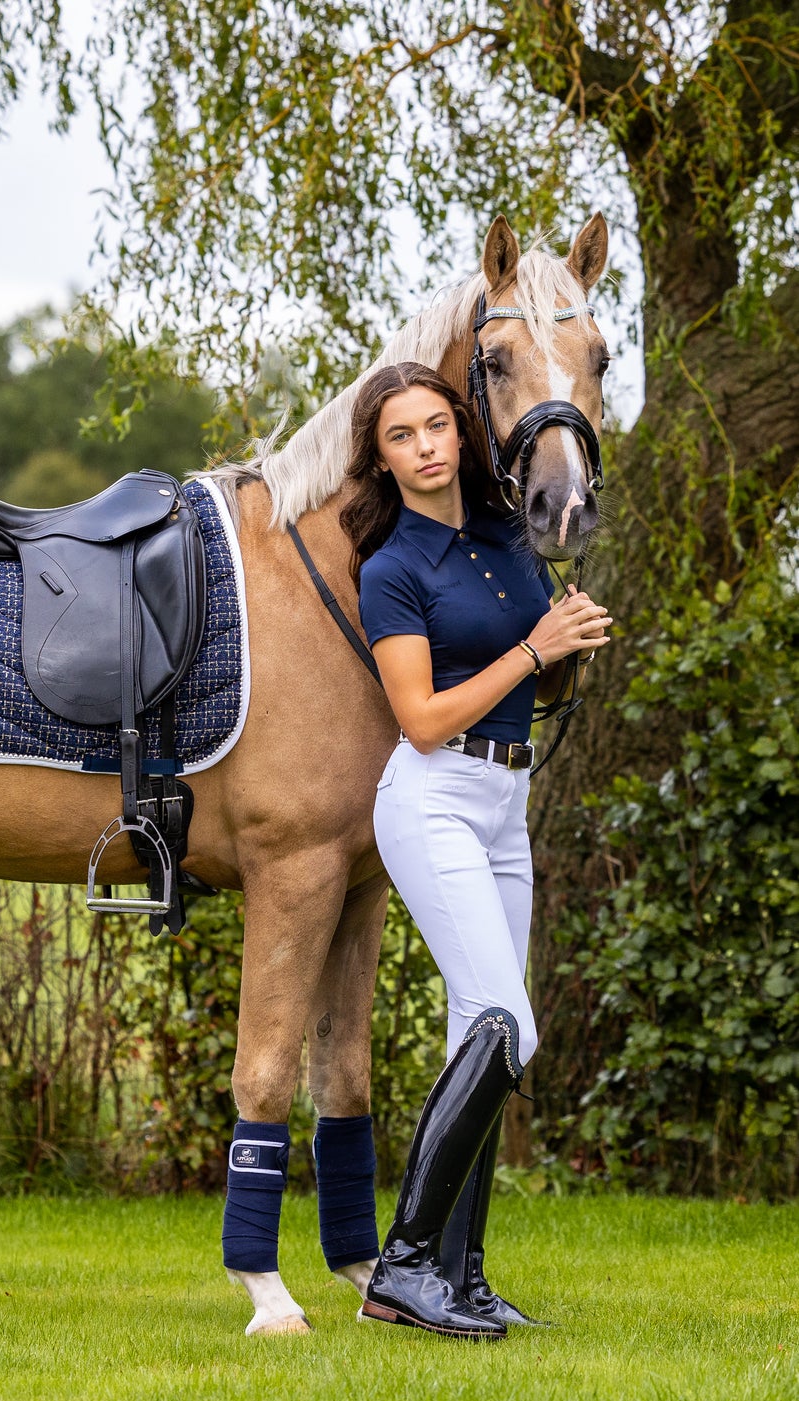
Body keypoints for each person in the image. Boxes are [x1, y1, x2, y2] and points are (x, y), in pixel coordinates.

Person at [339, 360, 612, 1340]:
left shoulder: (503, 537)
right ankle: (400, 1267)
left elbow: (529, 685)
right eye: (398, 435)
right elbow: (415, 718)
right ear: (380, 459)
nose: (424, 445)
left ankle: (459, 1278)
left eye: (433, 427)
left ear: (458, 433)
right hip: (432, 797)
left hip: (504, 798)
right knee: (508, 1022)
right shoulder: (391, 570)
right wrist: (534, 647)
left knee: (481, 1035)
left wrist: (563, 642)